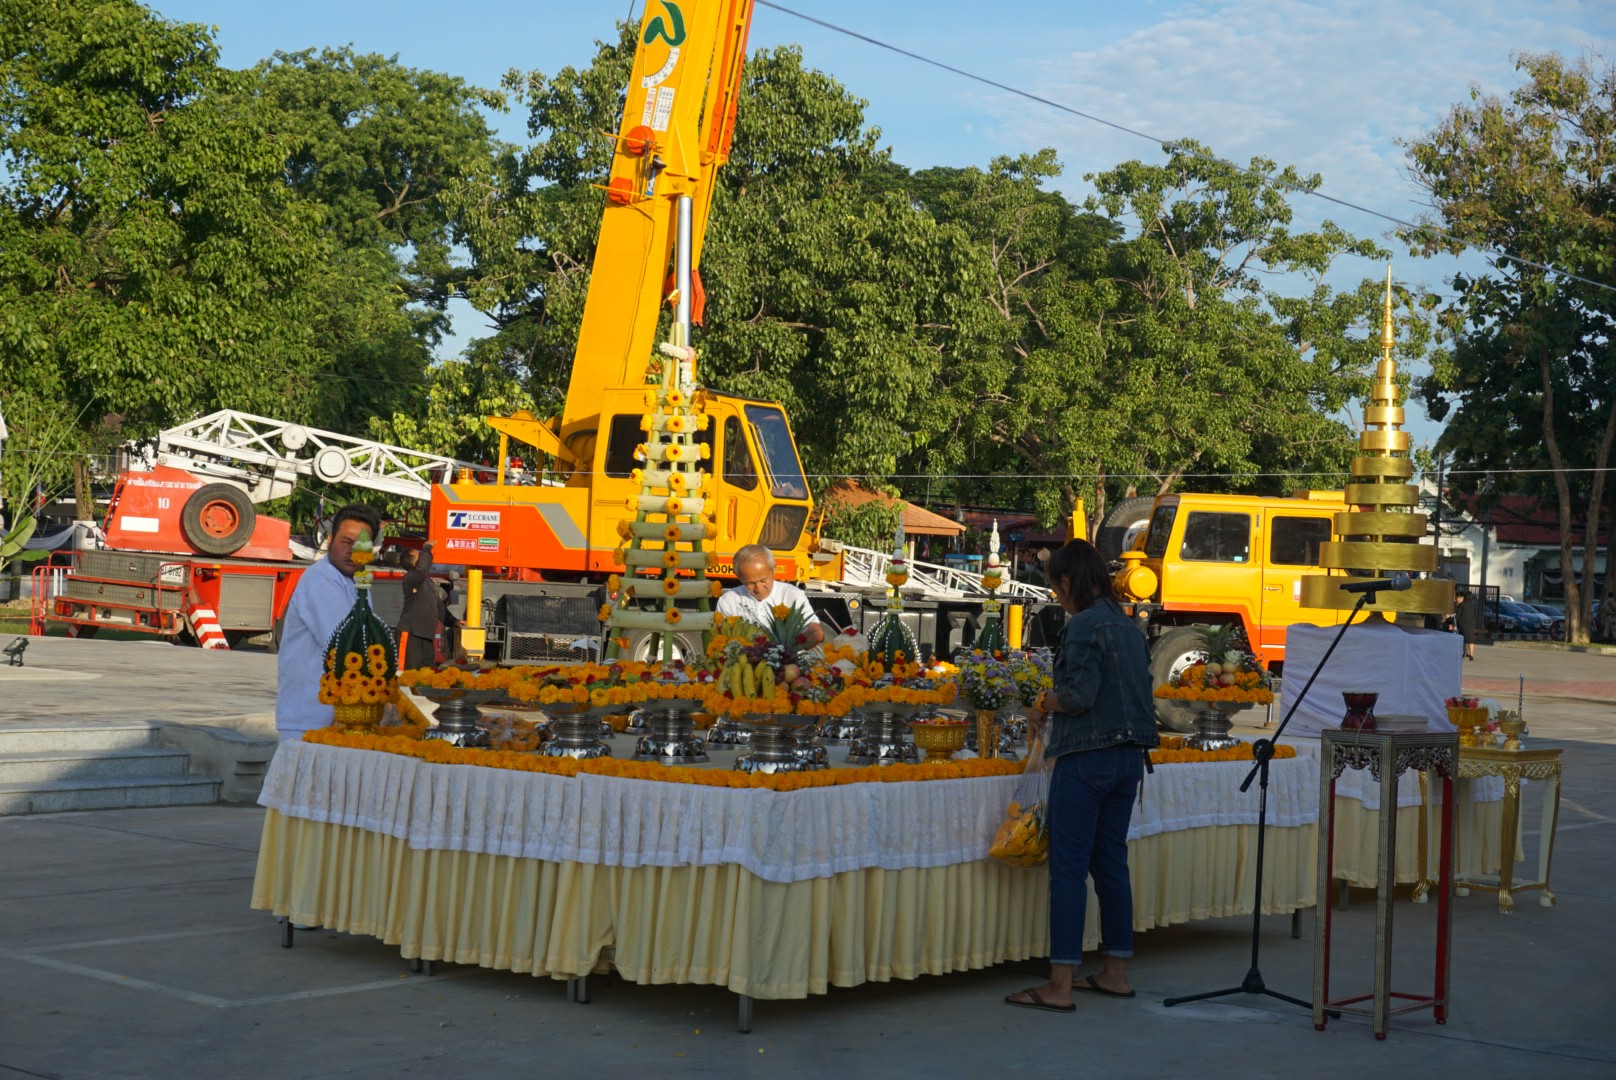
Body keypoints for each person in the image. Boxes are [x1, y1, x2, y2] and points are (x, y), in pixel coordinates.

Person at [1007, 537, 1159, 1013]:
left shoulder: (1084, 625)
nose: (1059, 599)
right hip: (1129, 760)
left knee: (1068, 871)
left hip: (1087, 759)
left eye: (1057, 590)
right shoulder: (1129, 626)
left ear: (1069, 581)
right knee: (1111, 865)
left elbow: (1077, 696)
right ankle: (1115, 973)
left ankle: (1060, 985)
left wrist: (1042, 702)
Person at [275, 504, 383, 743]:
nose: (353, 550)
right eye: (346, 541)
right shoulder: (320, 578)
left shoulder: (358, 583)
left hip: (345, 716)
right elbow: (347, 647)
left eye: (361, 545)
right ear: (330, 539)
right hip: (309, 718)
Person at [715, 543, 825, 644]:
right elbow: (720, 638)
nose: (758, 588)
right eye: (750, 583)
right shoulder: (728, 601)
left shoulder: (792, 596)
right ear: (739, 577)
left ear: (774, 570)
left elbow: (815, 631)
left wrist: (788, 649)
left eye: (763, 581)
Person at [397, 542, 439, 672]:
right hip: (411, 634)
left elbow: (438, 605)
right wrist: (427, 548)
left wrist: (453, 621)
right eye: (419, 556)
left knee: (428, 676)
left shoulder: (427, 582)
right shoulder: (411, 578)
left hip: (426, 636)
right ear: (414, 563)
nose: (423, 556)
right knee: (406, 675)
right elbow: (422, 569)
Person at [1454, 590, 1480, 661]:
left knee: (1462, 639)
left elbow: (1458, 615)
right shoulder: (1473, 605)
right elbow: (1475, 616)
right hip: (1471, 625)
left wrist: (1454, 623)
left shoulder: (1461, 605)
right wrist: (1475, 625)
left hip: (1462, 625)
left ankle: (1463, 653)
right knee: (1471, 640)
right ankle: (1471, 655)